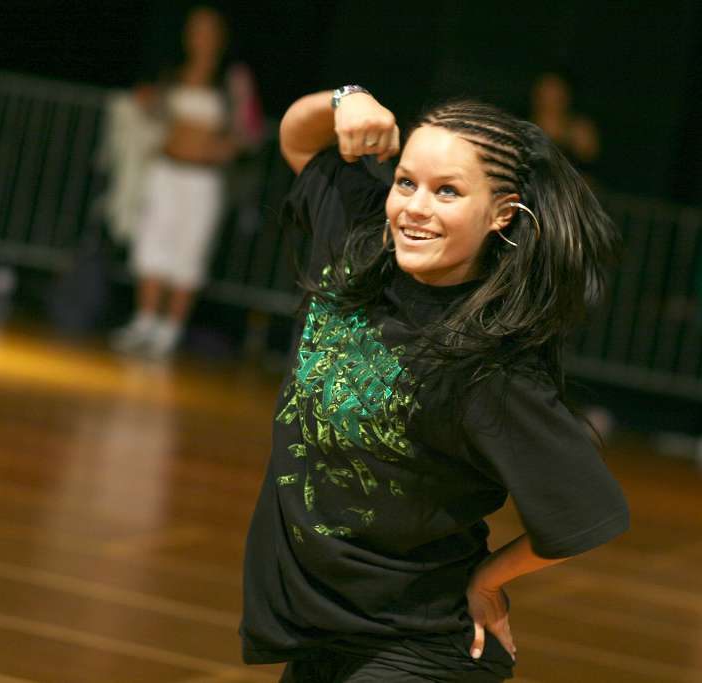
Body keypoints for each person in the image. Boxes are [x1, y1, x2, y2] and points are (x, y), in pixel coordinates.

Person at [239, 86, 629, 682]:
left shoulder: (489, 365)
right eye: (405, 182)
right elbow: (298, 141)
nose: (415, 207)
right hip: (323, 637)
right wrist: (345, 99)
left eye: (447, 191)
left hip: (416, 650)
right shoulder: (358, 243)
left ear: (502, 213)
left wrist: (489, 579)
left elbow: (585, 510)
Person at [110, 6, 240, 359]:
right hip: (166, 170)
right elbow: (156, 115)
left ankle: (170, 330)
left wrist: (223, 148)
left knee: (189, 250)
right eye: (196, 29)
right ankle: (145, 321)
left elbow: (248, 131)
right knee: (153, 244)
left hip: (203, 180)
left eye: (208, 30)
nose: (201, 37)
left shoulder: (232, 81)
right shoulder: (173, 74)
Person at [529, 71, 600, 181]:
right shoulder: (522, 130)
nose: (550, 98)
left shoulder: (579, 131)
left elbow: (592, 168)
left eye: (556, 92)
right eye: (546, 91)